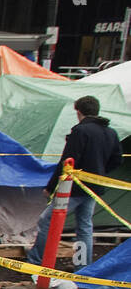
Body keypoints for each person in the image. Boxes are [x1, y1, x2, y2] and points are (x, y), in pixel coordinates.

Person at [27, 95, 123, 269]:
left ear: (78, 112)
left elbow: (67, 161)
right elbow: (117, 159)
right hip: (94, 188)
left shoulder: (80, 131)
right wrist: (99, 173)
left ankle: (37, 261)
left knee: (47, 221)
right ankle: (82, 265)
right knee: (85, 226)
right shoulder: (110, 132)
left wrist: (51, 187)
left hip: (73, 187)